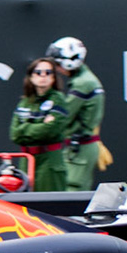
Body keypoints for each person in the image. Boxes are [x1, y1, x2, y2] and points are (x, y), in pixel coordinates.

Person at [44, 35, 110, 190]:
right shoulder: (85, 79)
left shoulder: (82, 83)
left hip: (80, 149)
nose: (56, 68)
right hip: (80, 147)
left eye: (57, 63)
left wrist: (48, 120)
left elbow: (64, 115)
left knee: (72, 191)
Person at [9, 57, 72, 190]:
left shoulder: (58, 99)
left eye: (48, 72)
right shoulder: (25, 102)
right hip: (26, 161)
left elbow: (50, 130)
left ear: (53, 78)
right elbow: (15, 134)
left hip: (49, 161)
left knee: (50, 201)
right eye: (38, 72)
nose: (43, 76)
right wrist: (38, 125)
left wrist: (25, 127)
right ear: (31, 77)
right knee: (26, 200)